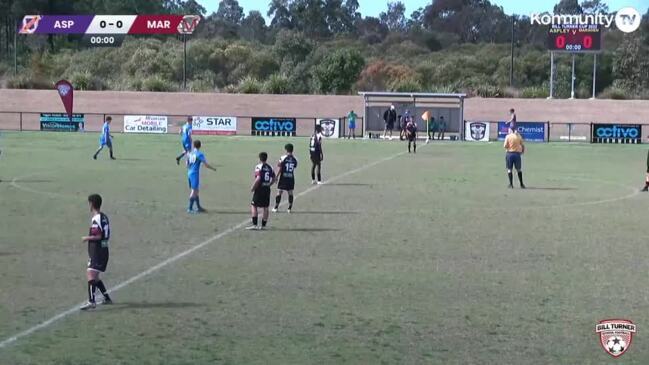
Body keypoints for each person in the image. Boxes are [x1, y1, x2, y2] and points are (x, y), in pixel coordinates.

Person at [80, 194, 113, 310]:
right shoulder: (103, 216)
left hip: (98, 250)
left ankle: (91, 301)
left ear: (91, 204)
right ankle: (106, 298)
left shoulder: (96, 218)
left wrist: (86, 238)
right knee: (95, 277)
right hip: (103, 249)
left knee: (90, 273)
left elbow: (98, 236)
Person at [186, 140, 217, 213]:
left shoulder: (190, 153)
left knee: (196, 190)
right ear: (200, 146)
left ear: (193, 145)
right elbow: (205, 165)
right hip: (194, 174)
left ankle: (198, 207)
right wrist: (213, 168)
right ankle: (189, 209)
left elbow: (187, 164)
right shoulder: (199, 154)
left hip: (189, 173)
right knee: (194, 191)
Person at [247, 152, 276, 230]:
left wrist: (253, 187)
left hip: (260, 189)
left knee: (254, 205)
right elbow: (274, 178)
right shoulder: (270, 167)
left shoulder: (258, 166)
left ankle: (255, 224)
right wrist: (269, 184)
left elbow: (258, 179)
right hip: (267, 189)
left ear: (259, 158)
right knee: (265, 207)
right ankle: (263, 225)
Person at [273, 144, 298, 213]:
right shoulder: (295, 158)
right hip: (291, 177)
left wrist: (276, 177)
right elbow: (295, 166)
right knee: (290, 192)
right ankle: (289, 208)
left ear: (286, 150)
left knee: (279, 192)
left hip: (283, 177)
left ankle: (276, 207)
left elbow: (280, 167)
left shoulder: (283, 157)